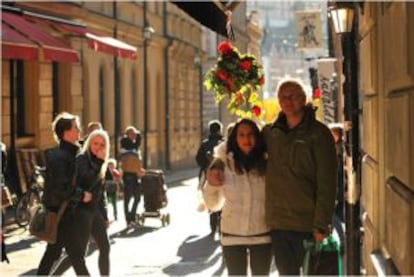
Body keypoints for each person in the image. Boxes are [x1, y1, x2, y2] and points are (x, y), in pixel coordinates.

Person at [262, 77, 338, 275]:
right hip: (278, 222)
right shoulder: (270, 133)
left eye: (292, 96)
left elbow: (327, 183)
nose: (287, 101)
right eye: (282, 97)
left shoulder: (319, 134)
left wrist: (321, 225)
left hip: (308, 223)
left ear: (304, 99)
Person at [203, 118, 272, 276]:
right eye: (241, 135)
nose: (246, 139)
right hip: (232, 235)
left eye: (250, 134)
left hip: (262, 234)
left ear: (257, 137)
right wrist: (211, 185)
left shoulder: (268, 162)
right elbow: (213, 205)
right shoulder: (223, 163)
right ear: (235, 138)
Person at [37, 112, 92, 275]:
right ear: (66, 132)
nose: (79, 130)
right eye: (76, 127)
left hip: (65, 213)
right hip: (61, 214)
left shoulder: (71, 153)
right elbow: (61, 188)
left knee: (58, 254)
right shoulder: (60, 157)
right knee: (74, 256)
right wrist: (82, 195)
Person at [75, 129, 111, 275]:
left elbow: (101, 193)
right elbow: (86, 181)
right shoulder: (82, 158)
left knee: (105, 247)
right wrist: (98, 162)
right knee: (77, 254)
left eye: (102, 145)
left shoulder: (101, 162)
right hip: (81, 210)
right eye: (95, 143)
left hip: (94, 211)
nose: (98, 147)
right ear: (89, 143)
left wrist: (105, 216)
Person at [195, 120, 224, 235]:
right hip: (222, 176)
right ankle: (221, 226)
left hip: (207, 176)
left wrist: (206, 166)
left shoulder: (205, 143)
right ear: (219, 130)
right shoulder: (222, 143)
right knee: (222, 200)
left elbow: (198, 159)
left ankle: (212, 226)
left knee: (210, 199)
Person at [119, 126, 144, 226]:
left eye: (135, 134)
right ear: (128, 134)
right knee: (128, 198)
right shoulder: (126, 144)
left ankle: (132, 216)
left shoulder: (134, 146)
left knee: (137, 197)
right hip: (128, 175)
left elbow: (138, 140)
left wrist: (137, 134)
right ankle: (128, 220)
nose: (134, 136)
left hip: (135, 174)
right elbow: (133, 146)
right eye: (132, 134)